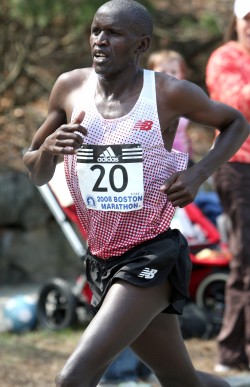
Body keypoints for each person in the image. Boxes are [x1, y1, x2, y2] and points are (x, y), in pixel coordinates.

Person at [23, 1, 249, 386]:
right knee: (180, 380)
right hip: (102, 257)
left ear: (141, 45)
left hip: (151, 255)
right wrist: (47, 151)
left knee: (72, 379)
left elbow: (235, 122)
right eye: (96, 31)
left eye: (113, 33)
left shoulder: (167, 93)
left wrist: (197, 174)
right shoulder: (70, 87)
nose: (99, 40)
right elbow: (37, 172)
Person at [206, 0, 250, 373]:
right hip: (238, 168)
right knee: (247, 260)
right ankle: (232, 353)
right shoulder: (225, 58)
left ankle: (237, 352)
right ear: (236, 23)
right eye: (248, 19)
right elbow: (236, 103)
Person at [147, 49, 191, 156]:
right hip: (153, 156)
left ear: (182, 75)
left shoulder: (185, 99)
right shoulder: (147, 99)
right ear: (150, 72)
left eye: (174, 72)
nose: (169, 76)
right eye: (162, 72)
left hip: (179, 155)